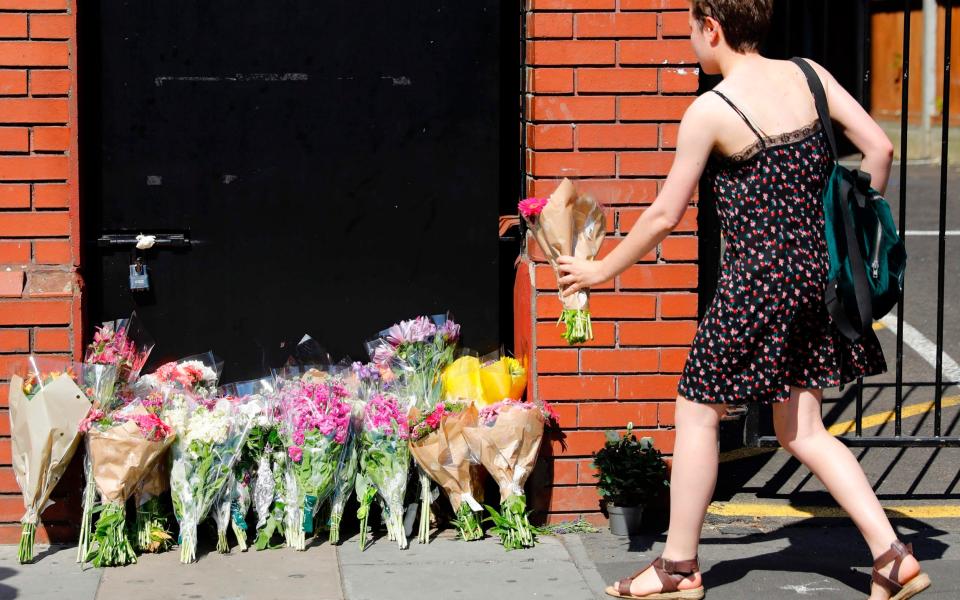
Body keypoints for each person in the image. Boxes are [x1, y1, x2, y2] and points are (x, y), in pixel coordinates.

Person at [555, 1, 931, 599]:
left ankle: (678, 568)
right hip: (818, 281)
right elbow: (879, 149)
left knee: (698, 410)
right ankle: (892, 556)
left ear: (713, 28)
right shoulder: (809, 74)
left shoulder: (710, 110)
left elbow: (663, 215)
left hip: (755, 284)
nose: (690, 46)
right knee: (803, 430)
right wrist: (848, 232)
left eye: (690, 32)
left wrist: (600, 270)